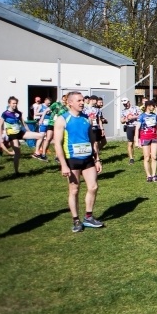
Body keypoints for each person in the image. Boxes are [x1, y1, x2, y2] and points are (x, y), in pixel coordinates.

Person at [53, 92, 104, 232]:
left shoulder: (86, 118)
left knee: (93, 187)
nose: (82, 103)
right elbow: (57, 143)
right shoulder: (62, 119)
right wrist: (63, 165)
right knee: (74, 190)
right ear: (70, 103)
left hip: (88, 159)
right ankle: (76, 220)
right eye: (79, 100)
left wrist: (97, 159)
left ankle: (88, 217)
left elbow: (93, 140)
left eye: (83, 100)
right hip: (72, 160)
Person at [1, 96, 44, 176]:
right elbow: (1, 125)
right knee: (17, 153)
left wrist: (29, 131)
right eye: (13, 103)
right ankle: (16, 172)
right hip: (12, 135)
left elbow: (23, 123)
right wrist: (1, 136)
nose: (15, 105)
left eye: (16, 103)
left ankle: (36, 153)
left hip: (21, 132)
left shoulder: (18, 113)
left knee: (40, 136)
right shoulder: (5, 114)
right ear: (9, 103)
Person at [35, 95, 67, 161]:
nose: (64, 101)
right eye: (63, 100)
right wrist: (41, 119)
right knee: (48, 138)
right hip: (52, 123)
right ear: (61, 99)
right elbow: (46, 111)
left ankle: (57, 156)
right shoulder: (56, 104)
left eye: (65, 100)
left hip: (59, 125)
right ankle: (43, 154)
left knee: (57, 140)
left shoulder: (66, 108)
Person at [136, 99, 157, 182]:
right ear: (148, 106)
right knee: (146, 157)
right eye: (153, 106)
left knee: (154, 156)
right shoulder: (141, 116)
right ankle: (148, 175)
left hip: (154, 138)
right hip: (145, 138)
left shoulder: (155, 116)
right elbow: (137, 129)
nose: (154, 107)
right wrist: (137, 140)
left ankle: (154, 174)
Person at [120, 98, 141, 165]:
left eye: (126, 103)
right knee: (130, 143)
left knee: (140, 142)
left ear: (129, 102)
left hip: (137, 126)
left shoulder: (136, 108)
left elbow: (141, 116)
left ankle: (147, 156)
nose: (125, 105)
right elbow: (121, 121)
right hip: (129, 127)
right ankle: (131, 158)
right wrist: (125, 120)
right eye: (124, 104)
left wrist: (133, 117)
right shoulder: (123, 111)